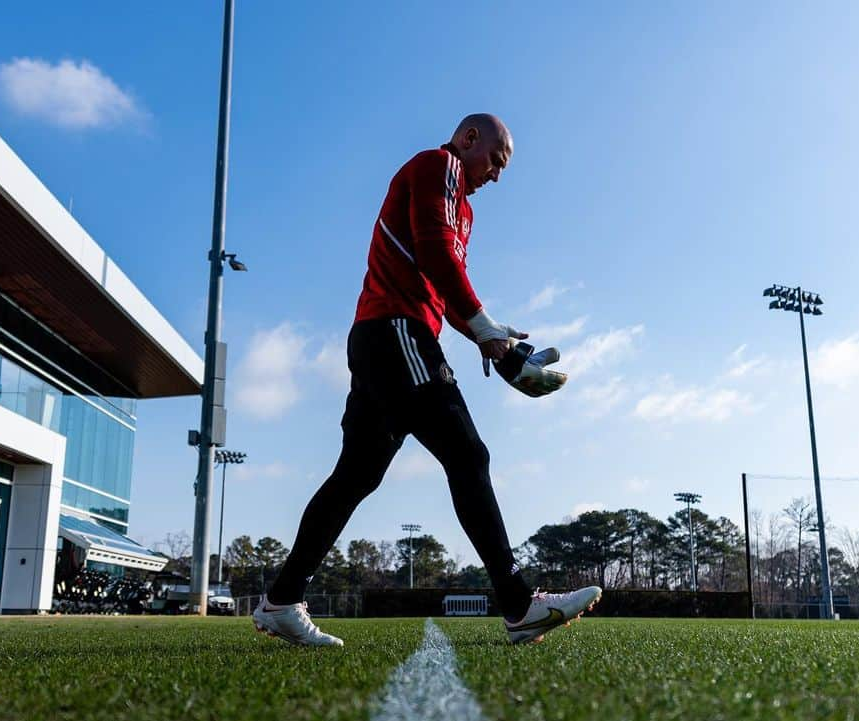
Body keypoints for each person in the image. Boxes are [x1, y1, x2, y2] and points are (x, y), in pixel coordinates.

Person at [253, 114, 601, 646]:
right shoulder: (439, 165)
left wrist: (498, 344)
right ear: (469, 140)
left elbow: (442, 284)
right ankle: (518, 605)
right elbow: (435, 251)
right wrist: (485, 329)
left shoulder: (464, 210)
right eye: (496, 160)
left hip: (387, 336)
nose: (497, 176)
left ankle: (281, 599)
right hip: (396, 331)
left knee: (356, 476)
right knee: (467, 454)